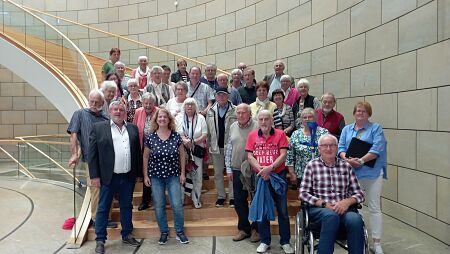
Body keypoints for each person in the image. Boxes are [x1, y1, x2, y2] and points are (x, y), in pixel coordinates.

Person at [88, 101, 142, 254]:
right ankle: (100, 239)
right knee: (103, 208)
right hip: (107, 177)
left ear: (125, 112)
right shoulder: (99, 128)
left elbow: (137, 153)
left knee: (127, 206)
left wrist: (138, 173)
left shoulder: (132, 128)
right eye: (115, 109)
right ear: (110, 111)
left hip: (127, 177)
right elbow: (92, 155)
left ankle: (127, 234)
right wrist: (95, 176)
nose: (118, 112)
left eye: (121, 109)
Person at [300, 134, 366, 254]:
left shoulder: (346, 166)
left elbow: (359, 194)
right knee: (331, 216)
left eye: (332, 145)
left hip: (344, 209)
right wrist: (324, 204)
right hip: (320, 210)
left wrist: (347, 202)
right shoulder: (312, 166)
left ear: (337, 148)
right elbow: (303, 193)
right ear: (319, 148)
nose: (329, 148)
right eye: (325, 146)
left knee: (355, 220)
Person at [338, 101, 387, 254]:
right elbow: (340, 148)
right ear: (354, 113)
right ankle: (358, 238)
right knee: (355, 208)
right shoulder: (347, 129)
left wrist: (360, 160)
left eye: (364, 111)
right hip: (352, 174)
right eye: (358, 111)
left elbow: (377, 148)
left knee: (374, 207)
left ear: (369, 114)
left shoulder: (376, 128)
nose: (360, 113)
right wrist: (347, 159)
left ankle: (377, 243)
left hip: (372, 174)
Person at [245, 110, 294, 254]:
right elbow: (250, 156)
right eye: (261, 119)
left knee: (283, 211)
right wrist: (262, 169)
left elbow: (283, 154)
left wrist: (270, 168)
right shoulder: (252, 135)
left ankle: (285, 241)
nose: (264, 122)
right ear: (258, 121)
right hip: (260, 176)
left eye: (266, 119)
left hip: (278, 176)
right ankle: (265, 241)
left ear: (271, 120)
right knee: (263, 210)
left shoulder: (280, 134)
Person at [143, 108, 189, 245]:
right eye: (160, 117)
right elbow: (145, 157)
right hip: (156, 176)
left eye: (165, 117)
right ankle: (163, 231)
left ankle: (179, 231)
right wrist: (145, 175)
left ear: (169, 119)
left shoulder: (175, 136)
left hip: (173, 175)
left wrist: (182, 173)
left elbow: (182, 155)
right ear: (156, 120)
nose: (162, 119)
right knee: (159, 205)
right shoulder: (150, 137)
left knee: (176, 204)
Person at [67, 89, 111, 227]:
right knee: (95, 188)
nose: (93, 104)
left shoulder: (106, 118)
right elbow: (73, 135)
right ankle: (97, 219)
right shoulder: (79, 114)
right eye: (91, 101)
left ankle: (106, 217)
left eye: (96, 102)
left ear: (102, 103)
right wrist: (74, 154)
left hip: (106, 160)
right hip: (90, 160)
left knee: (107, 188)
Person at [225, 103, 260, 242]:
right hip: (237, 168)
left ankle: (256, 229)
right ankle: (244, 229)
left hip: (255, 169)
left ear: (250, 113)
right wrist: (228, 168)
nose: (240, 115)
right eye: (238, 113)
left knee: (256, 201)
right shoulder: (233, 126)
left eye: (243, 112)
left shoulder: (258, 126)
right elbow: (229, 147)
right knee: (239, 201)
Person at [206, 87, 237, 208]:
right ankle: (221, 196)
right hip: (216, 147)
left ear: (228, 96)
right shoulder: (210, 111)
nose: (221, 97)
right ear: (215, 96)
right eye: (219, 95)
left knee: (231, 173)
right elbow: (208, 131)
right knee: (218, 173)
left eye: (224, 95)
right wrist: (209, 145)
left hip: (231, 147)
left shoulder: (235, 110)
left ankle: (233, 197)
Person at [176, 98, 208, 209]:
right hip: (182, 151)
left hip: (196, 151)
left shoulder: (201, 118)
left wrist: (193, 142)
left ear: (195, 107)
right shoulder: (178, 118)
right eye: (187, 105)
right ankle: (181, 199)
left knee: (197, 175)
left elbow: (204, 134)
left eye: (192, 105)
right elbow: (175, 134)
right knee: (182, 175)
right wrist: (184, 141)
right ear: (184, 106)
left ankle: (196, 199)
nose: (189, 107)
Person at [286, 108, 329, 188]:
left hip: (321, 174)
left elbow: (330, 153)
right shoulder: (296, 134)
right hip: (302, 175)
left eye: (310, 117)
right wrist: (292, 173)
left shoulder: (324, 133)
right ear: (301, 120)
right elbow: (290, 156)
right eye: (304, 117)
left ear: (315, 118)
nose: (307, 119)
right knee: (304, 199)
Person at [133, 93, 159, 211]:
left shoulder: (159, 112)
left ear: (154, 103)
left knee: (157, 175)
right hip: (143, 148)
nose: (148, 105)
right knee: (146, 175)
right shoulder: (138, 112)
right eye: (146, 103)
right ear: (142, 103)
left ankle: (158, 200)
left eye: (150, 103)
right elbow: (134, 128)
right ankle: (145, 201)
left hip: (158, 149)